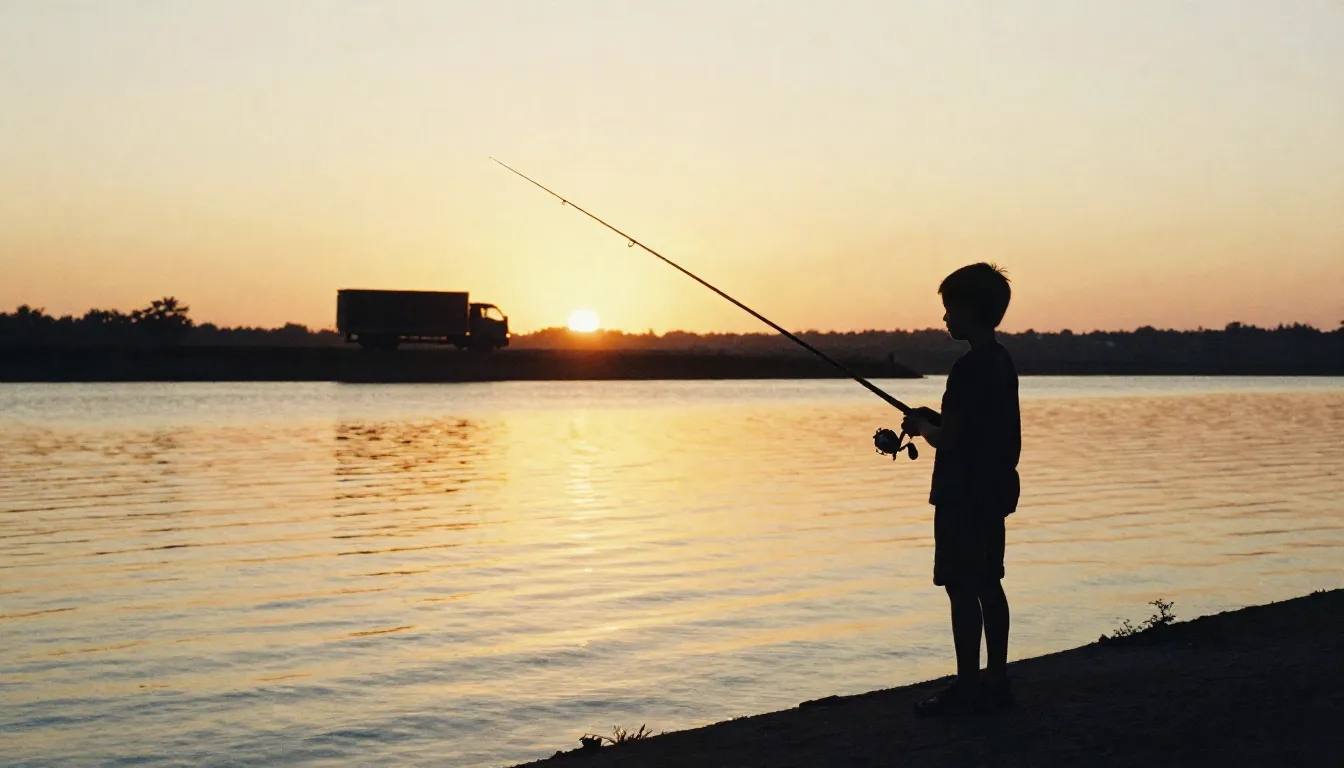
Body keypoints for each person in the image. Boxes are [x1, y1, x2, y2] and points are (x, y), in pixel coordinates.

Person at [901, 262, 1021, 716]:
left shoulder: (968, 367)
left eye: (950, 308)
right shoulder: (1001, 361)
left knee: (960, 587)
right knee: (989, 583)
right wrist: (933, 419)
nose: (945, 317)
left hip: (962, 495)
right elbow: (974, 426)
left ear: (970, 310)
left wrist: (922, 427)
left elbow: (950, 439)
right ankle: (997, 680)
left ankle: (968, 686)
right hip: (993, 490)